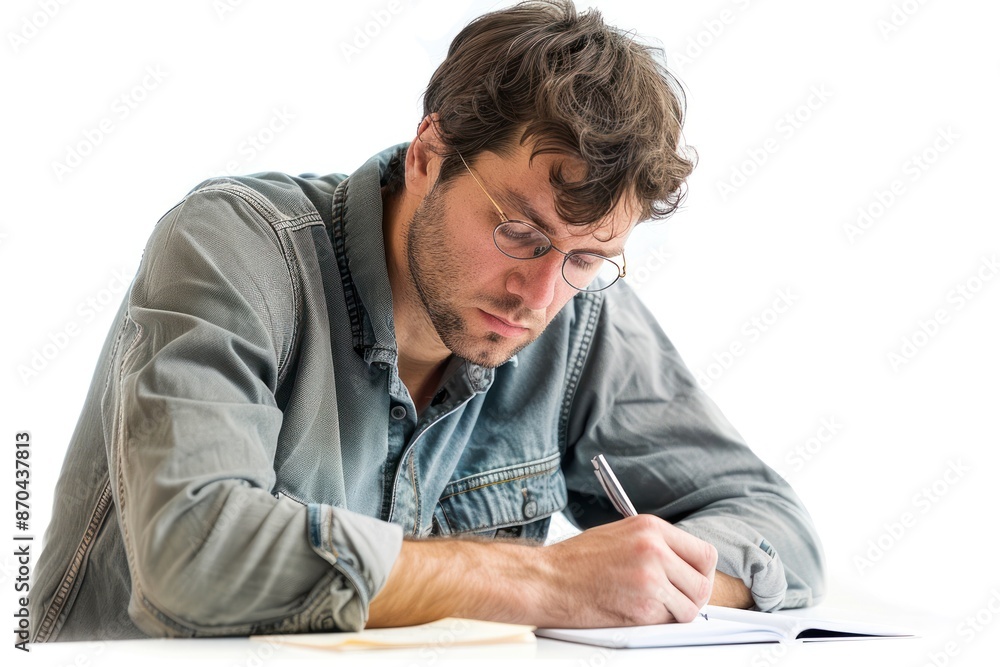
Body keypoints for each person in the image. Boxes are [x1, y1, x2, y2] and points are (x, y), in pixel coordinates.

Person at [30, 0, 824, 642]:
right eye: (519, 232)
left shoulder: (581, 316)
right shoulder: (234, 245)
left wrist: (654, 578)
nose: (540, 295)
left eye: (585, 259)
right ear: (429, 152)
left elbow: (778, 529)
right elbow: (196, 552)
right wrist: (546, 581)